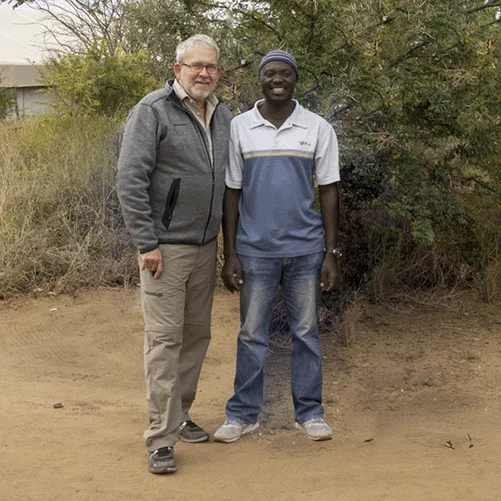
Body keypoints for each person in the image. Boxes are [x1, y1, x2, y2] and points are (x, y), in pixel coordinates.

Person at [116, 34, 232, 474]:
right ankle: (160, 439)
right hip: (165, 250)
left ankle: (180, 415)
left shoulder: (221, 114)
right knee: (164, 342)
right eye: (196, 65)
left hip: (205, 248)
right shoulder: (153, 110)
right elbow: (130, 179)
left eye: (212, 67)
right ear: (178, 67)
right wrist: (146, 243)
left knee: (196, 336)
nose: (204, 73)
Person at [214, 50, 341, 444]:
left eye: (285, 73)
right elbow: (231, 192)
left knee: (306, 332)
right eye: (270, 74)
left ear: (295, 79)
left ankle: (309, 414)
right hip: (254, 251)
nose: (277, 80)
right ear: (261, 80)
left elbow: (330, 190)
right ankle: (242, 415)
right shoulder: (240, 127)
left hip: (306, 250)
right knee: (252, 333)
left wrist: (330, 253)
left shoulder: (317, 127)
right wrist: (230, 252)